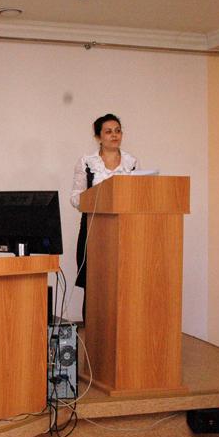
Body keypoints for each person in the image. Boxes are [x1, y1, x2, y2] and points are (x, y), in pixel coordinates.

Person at [70, 114, 139, 322]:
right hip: (94, 231)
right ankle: (94, 338)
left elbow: (138, 195)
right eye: (108, 131)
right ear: (98, 137)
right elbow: (75, 198)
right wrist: (97, 199)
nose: (114, 135)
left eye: (117, 130)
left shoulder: (131, 162)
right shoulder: (86, 163)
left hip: (125, 231)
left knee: (124, 284)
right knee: (95, 286)